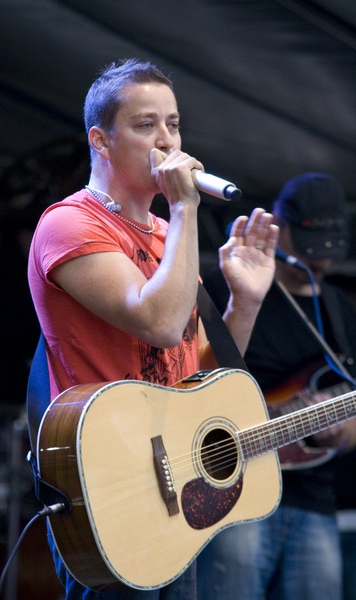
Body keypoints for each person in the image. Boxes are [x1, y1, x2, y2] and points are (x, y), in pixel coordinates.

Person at [27, 58, 278, 599]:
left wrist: (245, 301)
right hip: (110, 482)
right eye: (146, 125)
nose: (167, 140)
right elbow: (160, 324)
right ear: (101, 140)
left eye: (174, 123)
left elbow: (203, 373)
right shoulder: (71, 222)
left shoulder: (169, 234)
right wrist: (186, 206)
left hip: (172, 480)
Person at [197, 172, 356, 600]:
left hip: (313, 498)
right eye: (309, 250)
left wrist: (343, 432)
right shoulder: (224, 287)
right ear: (279, 226)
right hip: (233, 493)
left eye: (327, 252)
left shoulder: (340, 309)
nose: (319, 263)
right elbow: (191, 381)